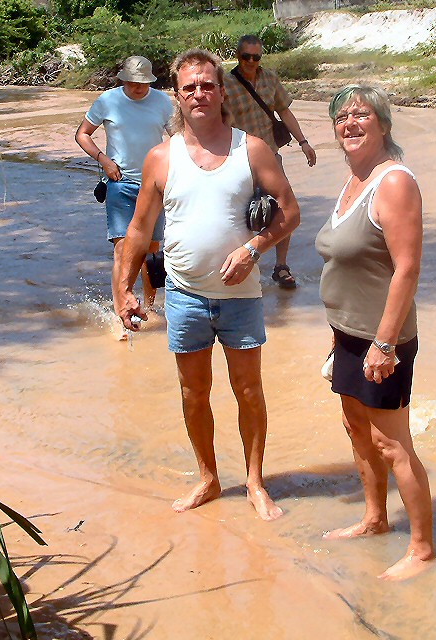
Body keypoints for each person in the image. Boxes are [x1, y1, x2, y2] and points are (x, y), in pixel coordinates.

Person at [117, 48, 300, 521]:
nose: (199, 93)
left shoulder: (252, 148)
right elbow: (138, 230)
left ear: (222, 91)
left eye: (207, 85)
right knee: (193, 394)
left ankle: (255, 482)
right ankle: (209, 478)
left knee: (249, 392)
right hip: (184, 296)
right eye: (188, 87)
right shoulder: (161, 158)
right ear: (176, 97)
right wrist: (122, 288)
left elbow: (290, 212)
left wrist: (254, 249)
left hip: (241, 297)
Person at [314, 84, 435, 581]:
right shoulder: (354, 181)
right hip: (347, 333)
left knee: (392, 445)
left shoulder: (394, 183)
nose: (351, 124)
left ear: (383, 125)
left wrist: (383, 344)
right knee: (357, 431)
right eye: (342, 117)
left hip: (381, 340)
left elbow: (407, 269)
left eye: (362, 115)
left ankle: (423, 549)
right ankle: (374, 519)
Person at [75, 55, 173, 335]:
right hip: (119, 183)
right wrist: (103, 159)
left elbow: (178, 138)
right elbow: (83, 134)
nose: (137, 88)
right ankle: (122, 314)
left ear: (151, 81)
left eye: (142, 83)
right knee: (123, 250)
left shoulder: (163, 102)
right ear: (123, 80)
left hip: (154, 186)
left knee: (150, 253)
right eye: (132, 83)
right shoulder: (108, 100)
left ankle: (149, 311)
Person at [223, 34, 316, 290]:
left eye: (256, 57)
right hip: (236, 158)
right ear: (237, 56)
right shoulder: (225, 84)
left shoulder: (270, 79)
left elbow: (284, 110)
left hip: (270, 156)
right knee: (235, 213)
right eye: (246, 57)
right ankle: (234, 265)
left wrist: (303, 142)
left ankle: (281, 266)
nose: (251, 62)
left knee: (283, 209)